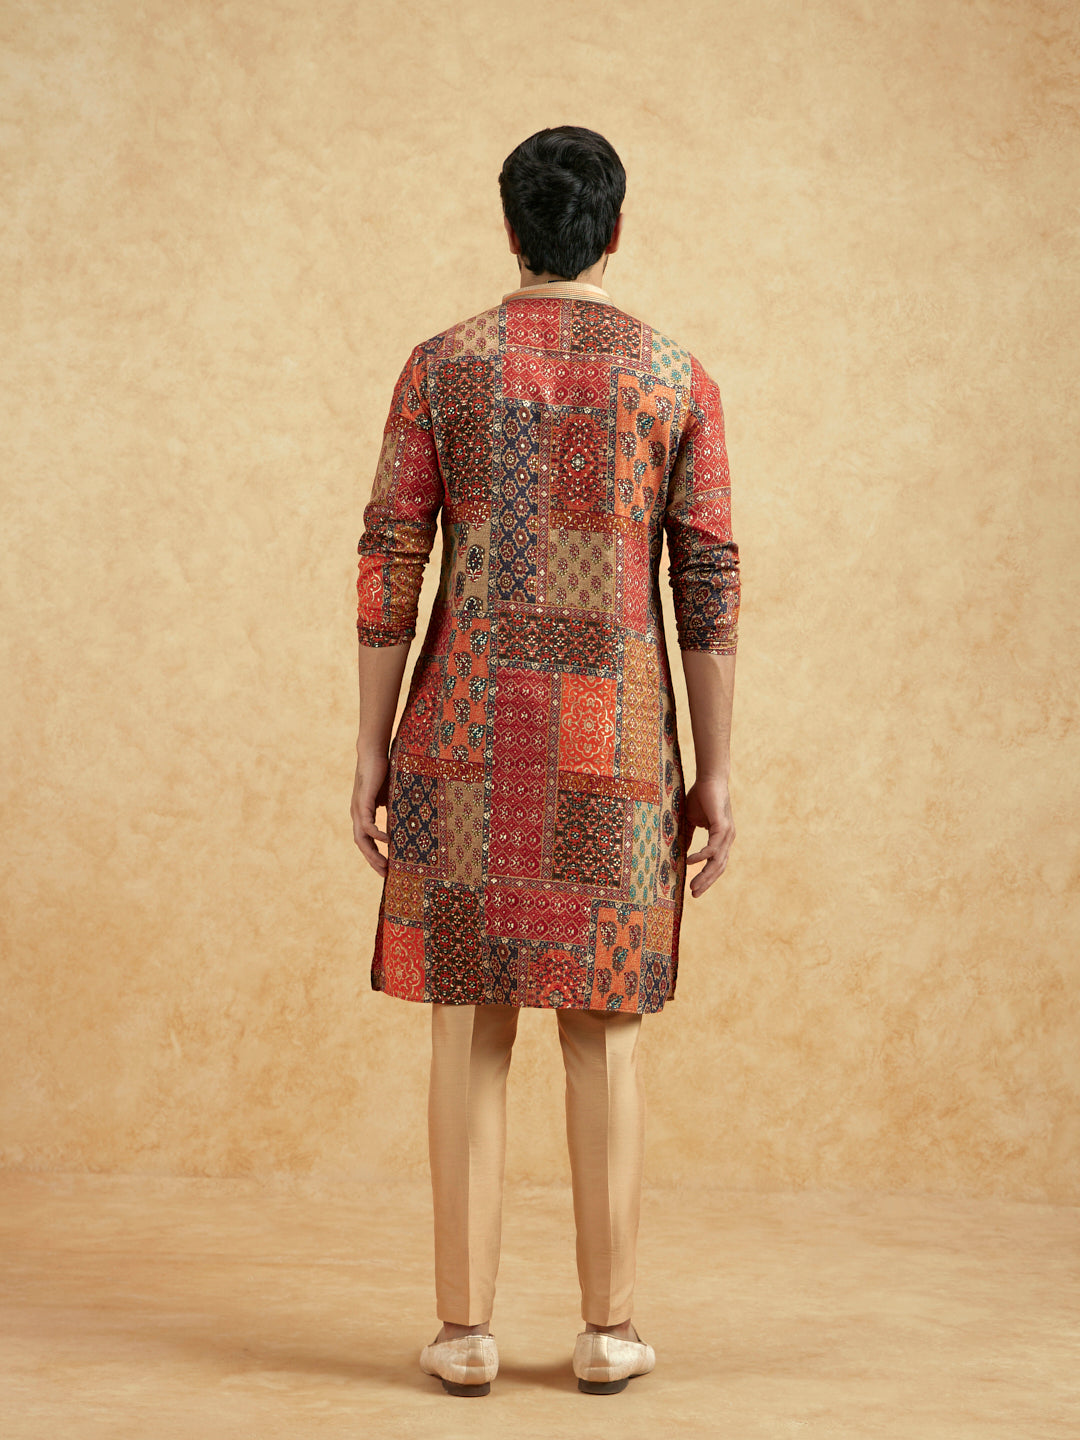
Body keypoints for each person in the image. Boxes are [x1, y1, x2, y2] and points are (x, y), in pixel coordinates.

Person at [351, 125, 740, 1397]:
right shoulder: (675, 377)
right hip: (615, 746)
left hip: (464, 741)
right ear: (613, 232)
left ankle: (463, 1332)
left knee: (469, 1028)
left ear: (511, 228)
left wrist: (370, 747)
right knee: (605, 1030)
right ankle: (609, 1331)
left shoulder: (441, 368)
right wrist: (716, 768)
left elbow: (390, 558)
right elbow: (707, 581)